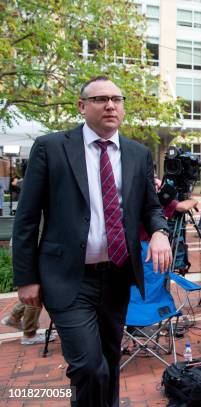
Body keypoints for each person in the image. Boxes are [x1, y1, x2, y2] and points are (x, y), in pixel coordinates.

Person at [11, 76, 172, 407]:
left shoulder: (138, 154)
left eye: (116, 98)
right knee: (88, 366)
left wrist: (159, 232)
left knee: (109, 362)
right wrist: (26, 278)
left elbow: (150, 209)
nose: (110, 105)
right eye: (100, 99)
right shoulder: (52, 147)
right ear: (82, 107)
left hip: (116, 276)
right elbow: (26, 218)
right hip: (67, 276)